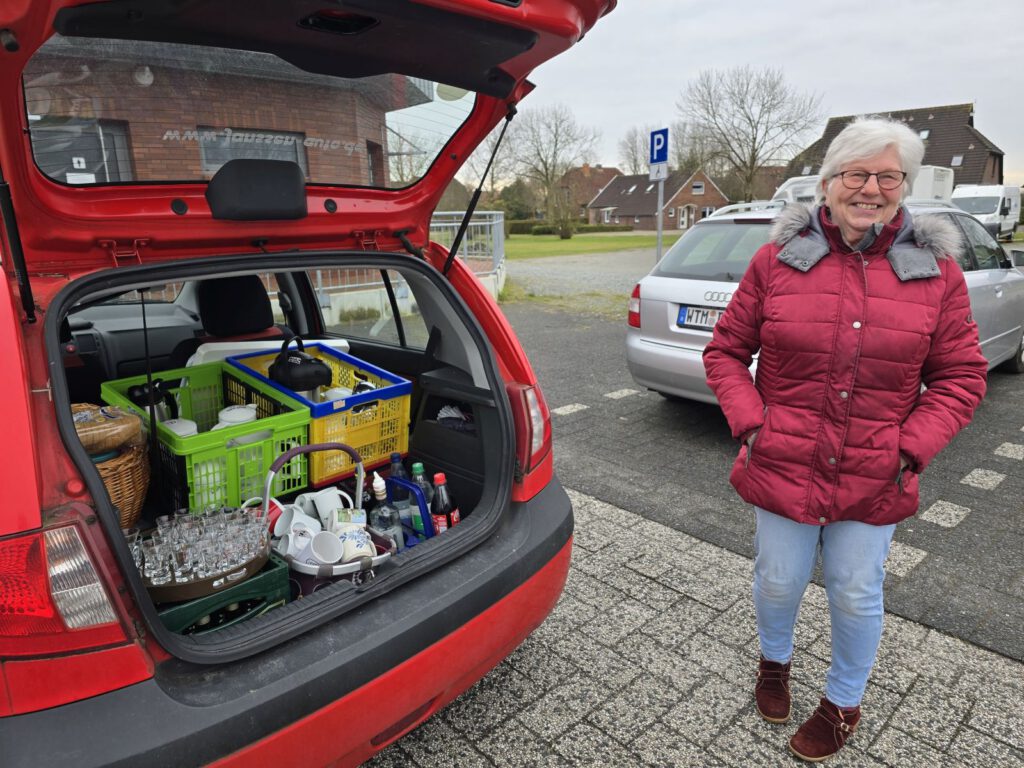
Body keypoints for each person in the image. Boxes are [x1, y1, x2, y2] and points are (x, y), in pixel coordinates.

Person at [702, 116, 987, 762]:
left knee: (857, 589)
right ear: (828, 183)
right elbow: (724, 353)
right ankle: (773, 664)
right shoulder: (777, 260)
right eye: (857, 174)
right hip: (783, 460)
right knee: (779, 579)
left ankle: (843, 702)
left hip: (875, 472)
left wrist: (910, 447)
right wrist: (753, 422)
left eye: (889, 176)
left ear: (904, 187)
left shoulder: (936, 273)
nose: (872, 189)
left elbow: (962, 376)